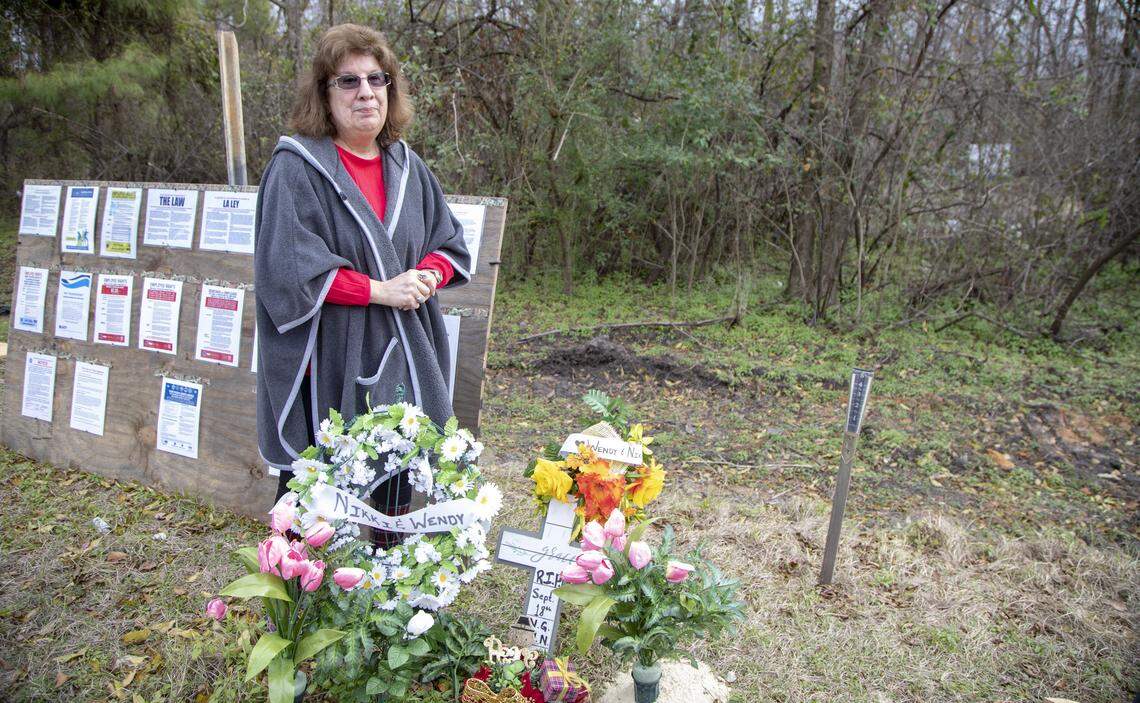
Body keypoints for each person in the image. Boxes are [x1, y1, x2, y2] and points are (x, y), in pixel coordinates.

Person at [254, 24, 471, 543]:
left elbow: (448, 244)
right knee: (312, 482)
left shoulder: (407, 167)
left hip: (400, 347)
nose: (366, 92)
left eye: (377, 79)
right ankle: (299, 599)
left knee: (394, 474)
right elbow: (285, 267)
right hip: (326, 353)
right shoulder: (296, 168)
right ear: (323, 94)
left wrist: (425, 276)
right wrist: (380, 290)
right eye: (347, 81)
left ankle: (388, 595)